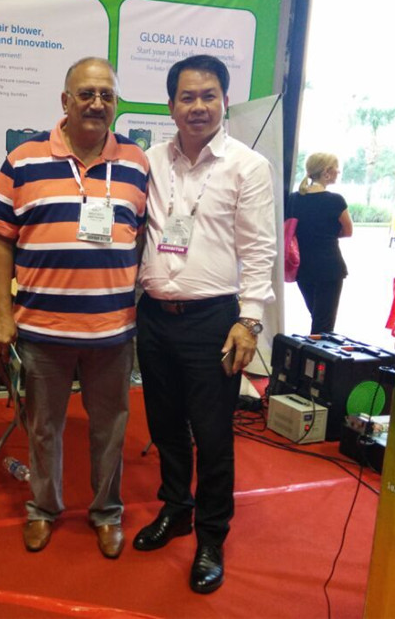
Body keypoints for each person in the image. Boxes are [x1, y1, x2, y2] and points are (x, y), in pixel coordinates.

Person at [0, 57, 148, 559]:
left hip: (112, 331)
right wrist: (3, 314)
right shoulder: (23, 159)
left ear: (116, 103)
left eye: (106, 94)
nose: (97, 103)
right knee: (43, 428)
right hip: (42, 329)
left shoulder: (137, 163)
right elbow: (0, 241)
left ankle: (107, 512)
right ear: (65, 100)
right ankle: (43, 508)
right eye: (86, 93)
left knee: (110, 430)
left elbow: (143, 238)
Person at [133, 55, 276, 594]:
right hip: (155, 317)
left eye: (209, 96)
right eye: (188, 97)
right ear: (171, 105)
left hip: (214, 320)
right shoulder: (149, 161)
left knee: (213, 436)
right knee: (165, 425)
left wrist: (250, 321)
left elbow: (259, 249)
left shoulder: (247, 166)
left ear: (225, 101)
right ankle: (177, 508)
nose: (199, 107)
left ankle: (212, 536)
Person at [288, 153, 353, 333]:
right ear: (326, 172)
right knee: (324, 324)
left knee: (317, 317)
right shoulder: (335, 200)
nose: (338, 172)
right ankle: (316, 351)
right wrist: (328, 234)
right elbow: (348, 231)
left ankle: (311, 349)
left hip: (302, 267)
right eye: (336, 168)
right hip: (329, 267)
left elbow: (290, 230)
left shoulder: (293, 199)